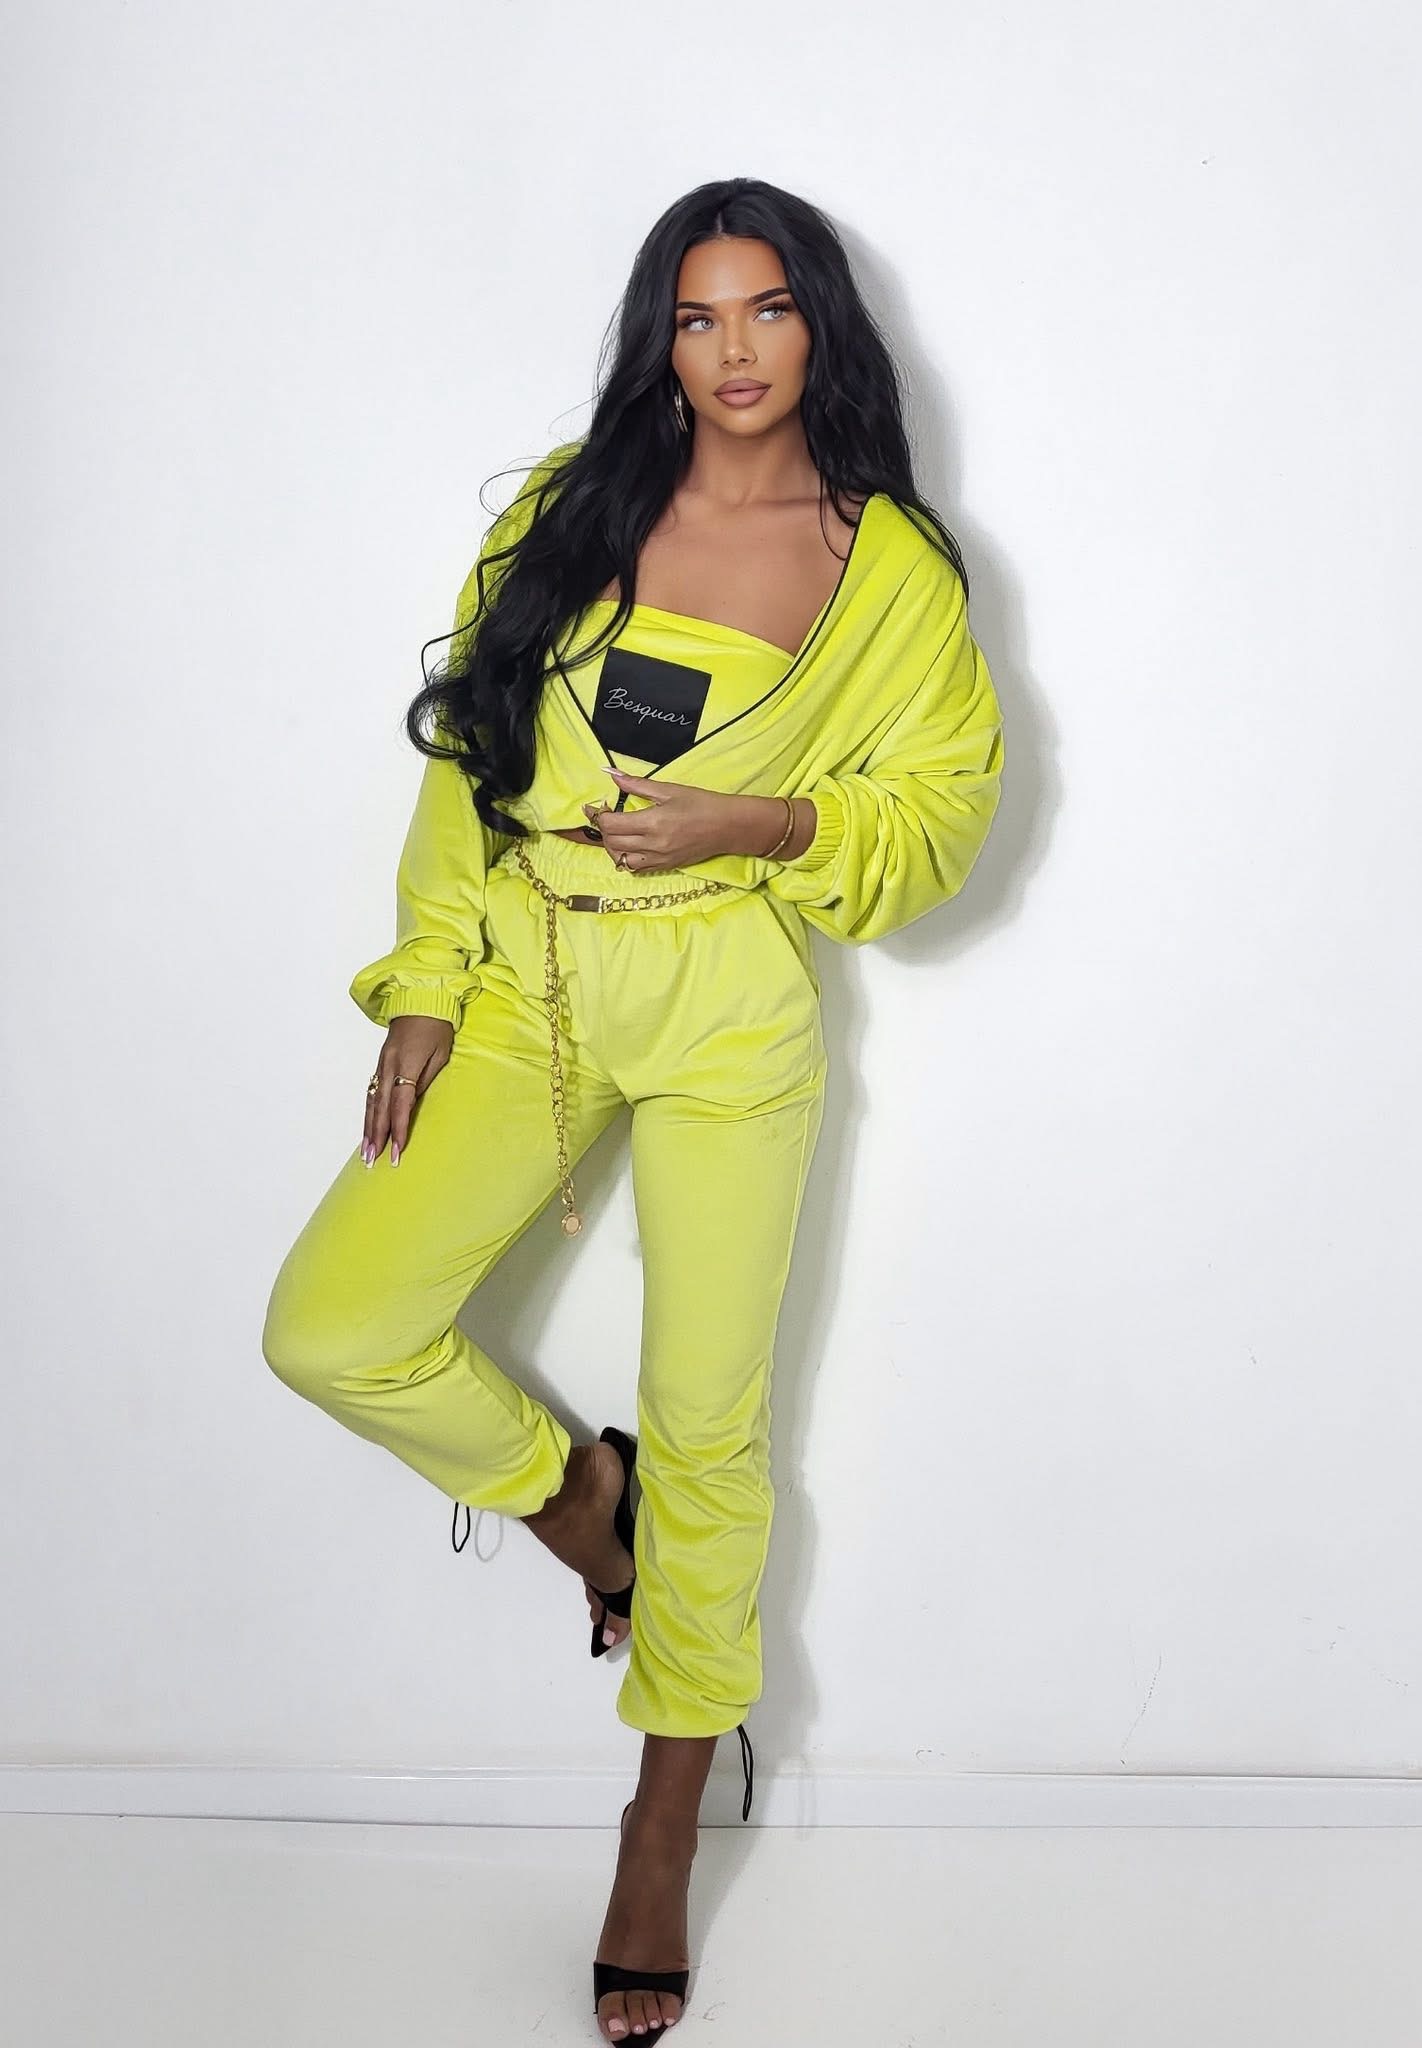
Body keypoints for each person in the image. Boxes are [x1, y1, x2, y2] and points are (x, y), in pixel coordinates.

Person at [261, 175, 1005, 2043]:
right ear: (656, 340)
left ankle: (662, 1818)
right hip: (526, 974)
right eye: (695, 316)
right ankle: (592, 1508)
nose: (733, 350)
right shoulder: (566, 507)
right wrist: (424, 986)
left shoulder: (887, 571)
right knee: (334, 1327)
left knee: (714, 1425)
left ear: (820, 325)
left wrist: (762, 817)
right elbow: (468, 757)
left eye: (767, 309)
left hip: (728, 1001)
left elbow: (938, 817)